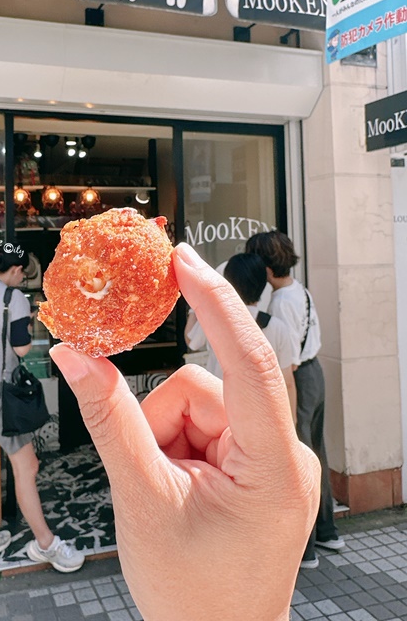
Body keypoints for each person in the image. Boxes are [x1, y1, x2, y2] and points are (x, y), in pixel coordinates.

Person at [50, 243, 320, 621]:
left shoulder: (216, 325)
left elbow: (192, 342)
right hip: (225, 431)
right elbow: (287, 378)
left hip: (214, 423)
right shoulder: (276, 325)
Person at [0, 247, 85, 572]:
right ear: (15, 269)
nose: (21, 276)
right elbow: (22, 347)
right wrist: (27, 323)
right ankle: (47, 544)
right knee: (26, 467)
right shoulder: (13, 298)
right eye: (21, 271)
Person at [245, 230, 344, 568]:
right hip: (314, 375)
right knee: (316, 452)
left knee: (298, 461)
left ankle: (307, 549)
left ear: (265, 267)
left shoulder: (280, 303)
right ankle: (327, 531)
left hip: (298, 379)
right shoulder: (297, 289)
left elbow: (286, 356)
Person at [223, 253, 297, 422]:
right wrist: (291, 423)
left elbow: (191, 339)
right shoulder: (278, 327)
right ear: (263, 283)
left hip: (224, 410)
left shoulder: (216, 319)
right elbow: (288, 382)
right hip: (266, 415)